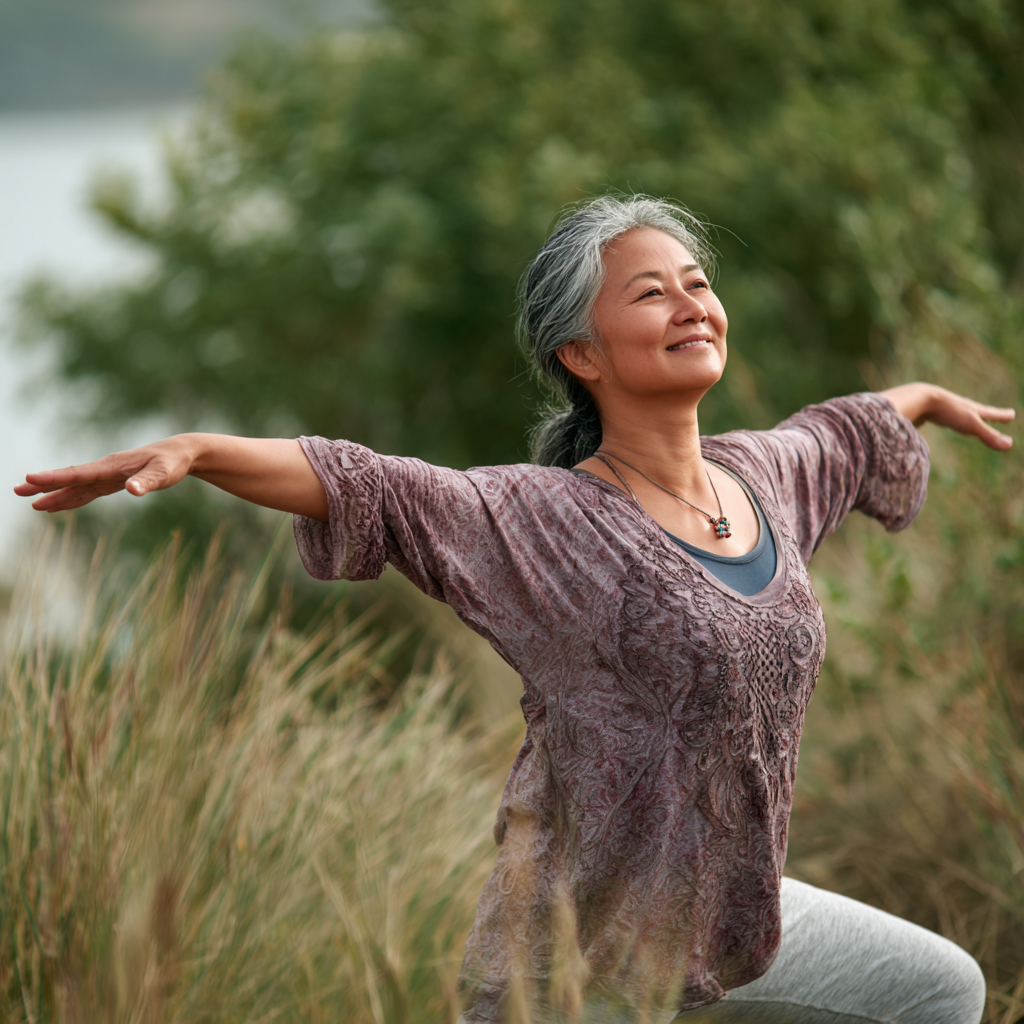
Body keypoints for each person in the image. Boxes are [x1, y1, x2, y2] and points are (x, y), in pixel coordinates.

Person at [15, 196, 1014, 1023]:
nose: (690, 304)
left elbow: (844, 425)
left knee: (935, 990)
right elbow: (368, 481)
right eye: (650, 292)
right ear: (580, 353)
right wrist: (197, 450)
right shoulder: (542, 521)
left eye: (698, 284)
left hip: (731, 931)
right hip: (576, 965)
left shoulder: (765, 476)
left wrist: (921, 396)